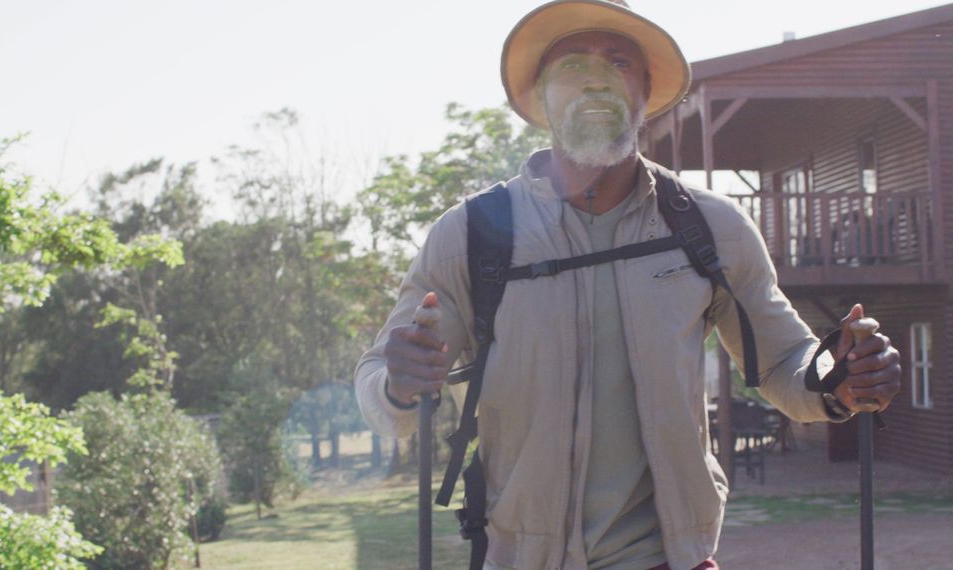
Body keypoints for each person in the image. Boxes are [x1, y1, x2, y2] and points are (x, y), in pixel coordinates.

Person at [354, 1, 902, 568]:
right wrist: (399, 382)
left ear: (646, 90)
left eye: (618, 63)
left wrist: (836, 378)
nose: (595, 81)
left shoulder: (709, 228)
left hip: (669, 559)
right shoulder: (472, 235)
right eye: (571, 66)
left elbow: (785, 359)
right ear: (542, 97)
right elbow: (382, 388)